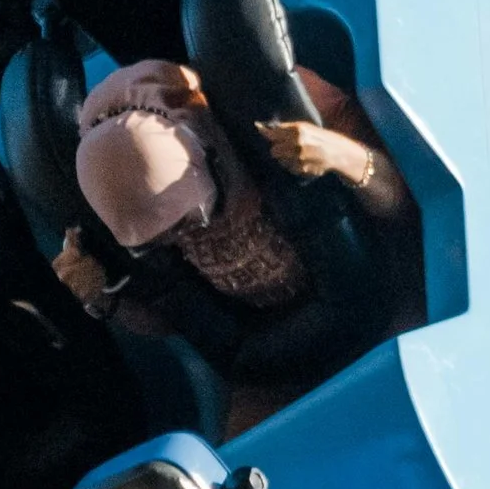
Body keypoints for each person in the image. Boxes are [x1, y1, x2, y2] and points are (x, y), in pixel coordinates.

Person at [51, 55, 415, 425]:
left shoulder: (277, 100)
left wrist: (342, 156)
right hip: (270, 361)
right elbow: (173, 317)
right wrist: (103, 297)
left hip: (381, 296)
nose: (186, 237)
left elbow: (405, 201)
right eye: (160, 237)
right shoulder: (116, 194)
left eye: (188, 219)